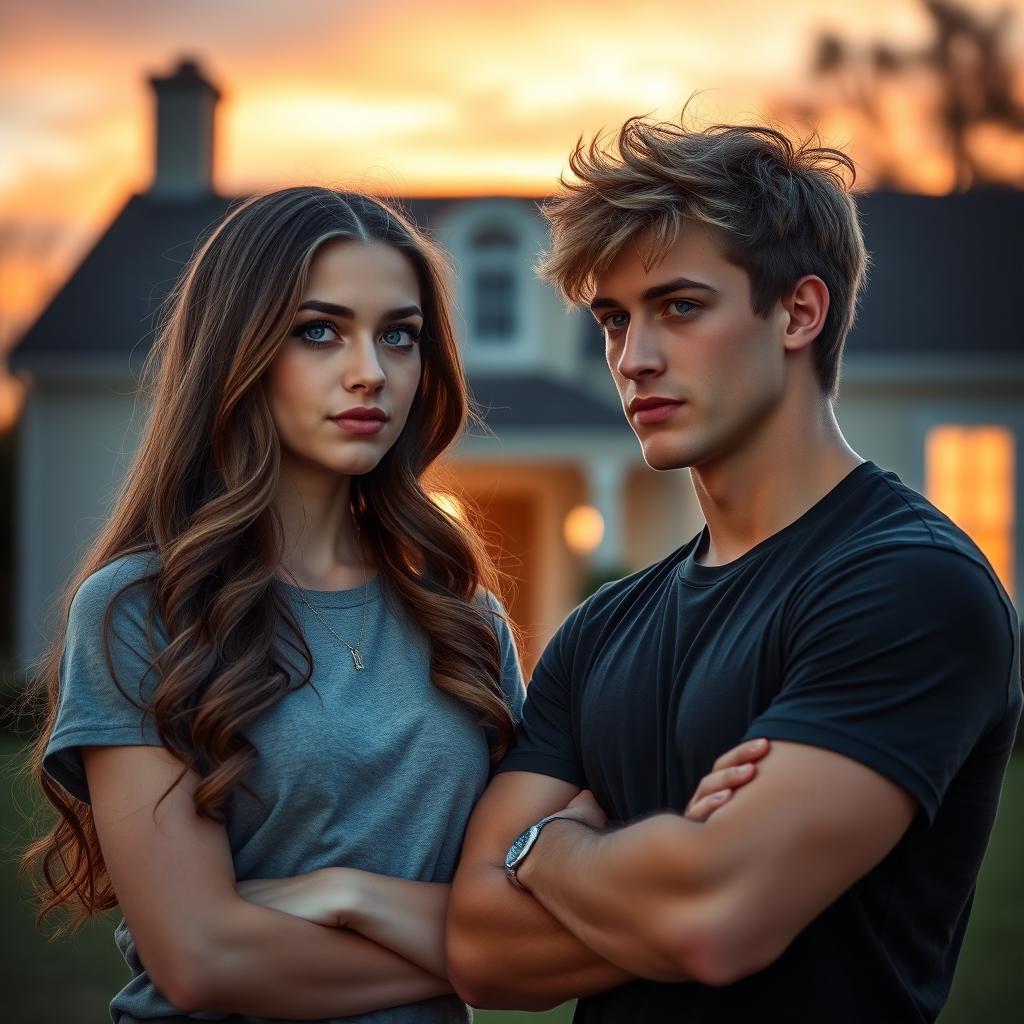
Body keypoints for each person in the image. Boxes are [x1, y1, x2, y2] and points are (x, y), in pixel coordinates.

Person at [447, 116, 1023, 1022]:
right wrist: (671, 856)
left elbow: (715, 920)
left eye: (679, 307)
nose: (632, 358)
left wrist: (545, 852)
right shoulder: (604, 626)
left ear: (798, 312)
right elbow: (478, 948)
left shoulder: (908, 585)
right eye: (612, 319)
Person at [22, 186, 534, 1024]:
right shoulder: (142, 610)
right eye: (319, 330)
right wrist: (483, 964)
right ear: (239, 349)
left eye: (399, 336)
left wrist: (347, 894)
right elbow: (199, 961)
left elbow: (529, 922)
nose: (370, 370)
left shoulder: (465, 622)